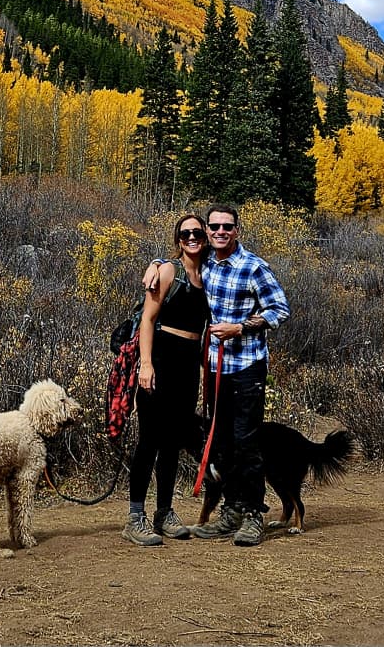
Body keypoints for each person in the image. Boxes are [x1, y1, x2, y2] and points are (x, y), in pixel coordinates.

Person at [146, 203, 289, 547]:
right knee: (221, 444)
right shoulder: (206, 261)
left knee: (246, 442)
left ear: (236, 230)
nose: (219, 232)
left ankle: (254, 514)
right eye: (214, 227)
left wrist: (240, 328)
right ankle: (232, 510)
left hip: (246, 368)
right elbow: (180, 258)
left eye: (227, 227)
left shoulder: (253, 267)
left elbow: (280, 309)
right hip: (214, 369)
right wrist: (155, 264)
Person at [122, 212, 211, 547]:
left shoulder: (208, 274)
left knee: (173, 441)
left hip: (189, 365)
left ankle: (164, 512)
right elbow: (147, 319)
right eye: (186, 233)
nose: (192, 238)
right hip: (161, 359)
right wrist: (146, 364)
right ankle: (135, 517)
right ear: (178, 240)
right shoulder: (169, 271)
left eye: (197, 233)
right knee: (150, 440)